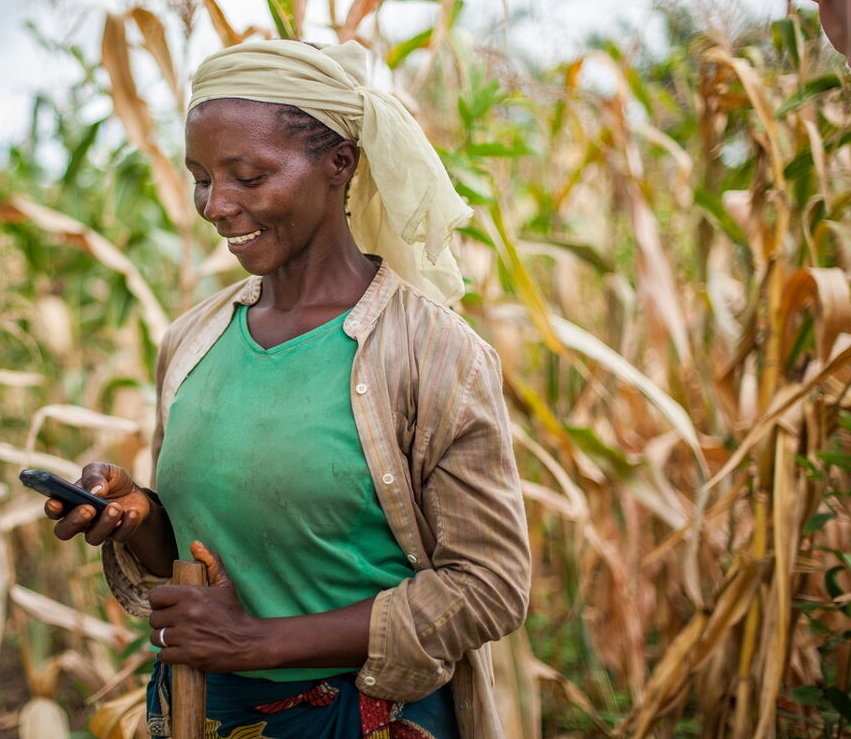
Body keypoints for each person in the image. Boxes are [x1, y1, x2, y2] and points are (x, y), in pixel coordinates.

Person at [44, 39, 530, 738]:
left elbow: (489, 586)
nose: (217, 206)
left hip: (359, 718)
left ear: (341, 163)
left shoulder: (432, 354)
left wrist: (258, 643)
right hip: (201, 709)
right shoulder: (192, 340)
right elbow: (204, 554)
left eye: (248, 176)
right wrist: (139, 517)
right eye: (201, 179)